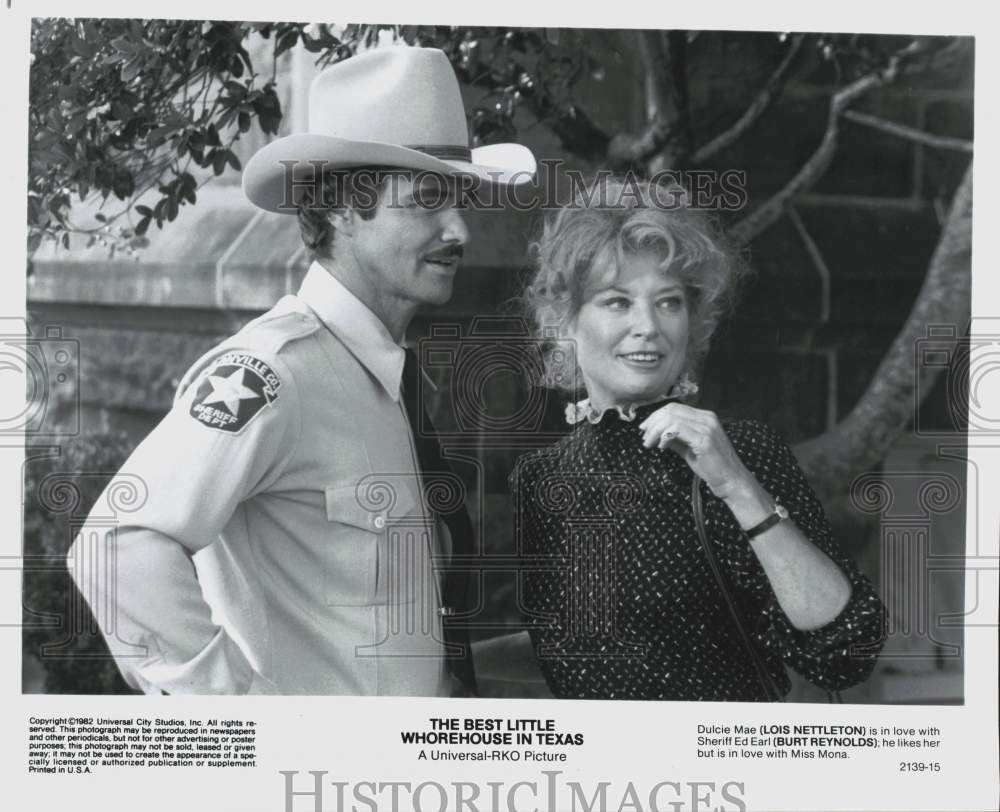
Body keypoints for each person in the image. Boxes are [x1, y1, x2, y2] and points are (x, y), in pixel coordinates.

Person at [66, 46, 535, 695]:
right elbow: (118, 547)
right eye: (427, 201)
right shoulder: (271, 373)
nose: (459, 230)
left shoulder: (387, 375)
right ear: (342, 208)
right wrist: (250, 726)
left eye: (459, 201)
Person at [512, 178, 886, 701]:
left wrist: (735, 484)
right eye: (617, 302)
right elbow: (563, 653)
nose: (648, 326)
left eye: (668, 303)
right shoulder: (540, 479)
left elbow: (849, 651)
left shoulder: (742, 452)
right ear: (563, 323)